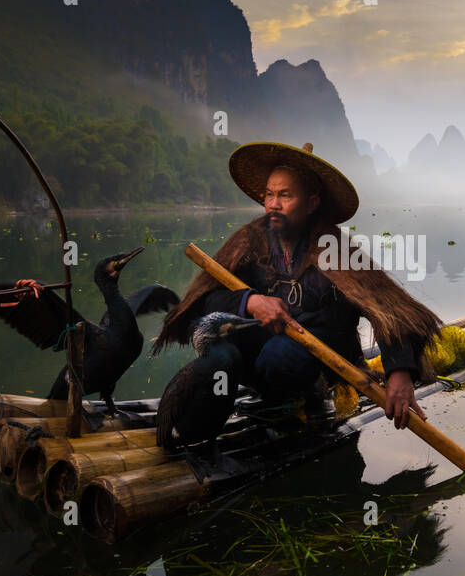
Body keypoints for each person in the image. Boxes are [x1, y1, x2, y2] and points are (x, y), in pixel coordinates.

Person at [153, 141, 442, 429]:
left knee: (279, 356)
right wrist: (250, 302)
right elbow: (208, 299)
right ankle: (259, 400)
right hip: (265, 351)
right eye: (268, 195)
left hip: (321, 358)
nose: (273, 205)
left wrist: (400, 372)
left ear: (312, 203)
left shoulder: (334, 248)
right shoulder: (249, 239)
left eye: (285, 196)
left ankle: (312, 399)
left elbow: (391, 312)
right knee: (221, 342)